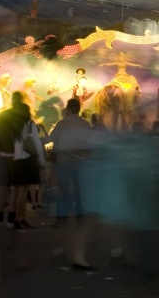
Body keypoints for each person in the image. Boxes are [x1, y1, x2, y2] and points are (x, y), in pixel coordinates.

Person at [49, 98, 91, 228]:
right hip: (80, 162)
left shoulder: (62, 123)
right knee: (79, 191)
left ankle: (62, 221)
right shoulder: (85, 124)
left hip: (64, 162)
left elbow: (51, 138)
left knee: (63, 192)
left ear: (69, 109)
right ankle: (81, 220)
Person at [0, 91, 29, 227]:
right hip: (18, 156)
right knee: (16, 188)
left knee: (3, 186)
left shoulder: (2, 116)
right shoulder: (23, 115)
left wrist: (0, 149)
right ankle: (11, 219)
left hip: (3, 156)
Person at [10, 102, 47, 229]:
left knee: (20, 190)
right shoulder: (30, 125)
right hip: (27, 159)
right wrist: (42, 160)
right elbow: (36, 143)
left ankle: (23, 218)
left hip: (17, 160)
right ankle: (18, 218)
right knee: (23, 191)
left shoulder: (14, 125)